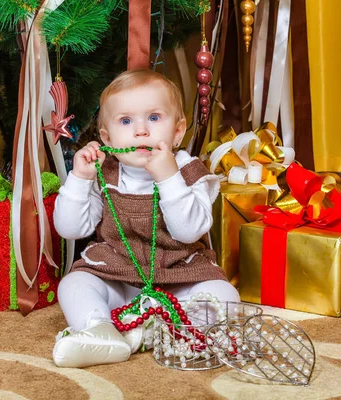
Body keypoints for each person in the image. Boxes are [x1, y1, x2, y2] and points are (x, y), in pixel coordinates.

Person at [52, 69, 240, 368]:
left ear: (178, 131)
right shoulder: (105, 173)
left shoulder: (190, 172)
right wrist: (80, 178)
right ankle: (99, 329)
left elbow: (189, 231)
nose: (141, 131)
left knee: (224, 296)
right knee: (74, 284)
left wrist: (168, 177)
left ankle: (175, 331)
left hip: (181, 277)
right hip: (119, 277)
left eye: (154, 117)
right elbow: (70, 229)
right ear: (107, 137)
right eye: (126, 121)